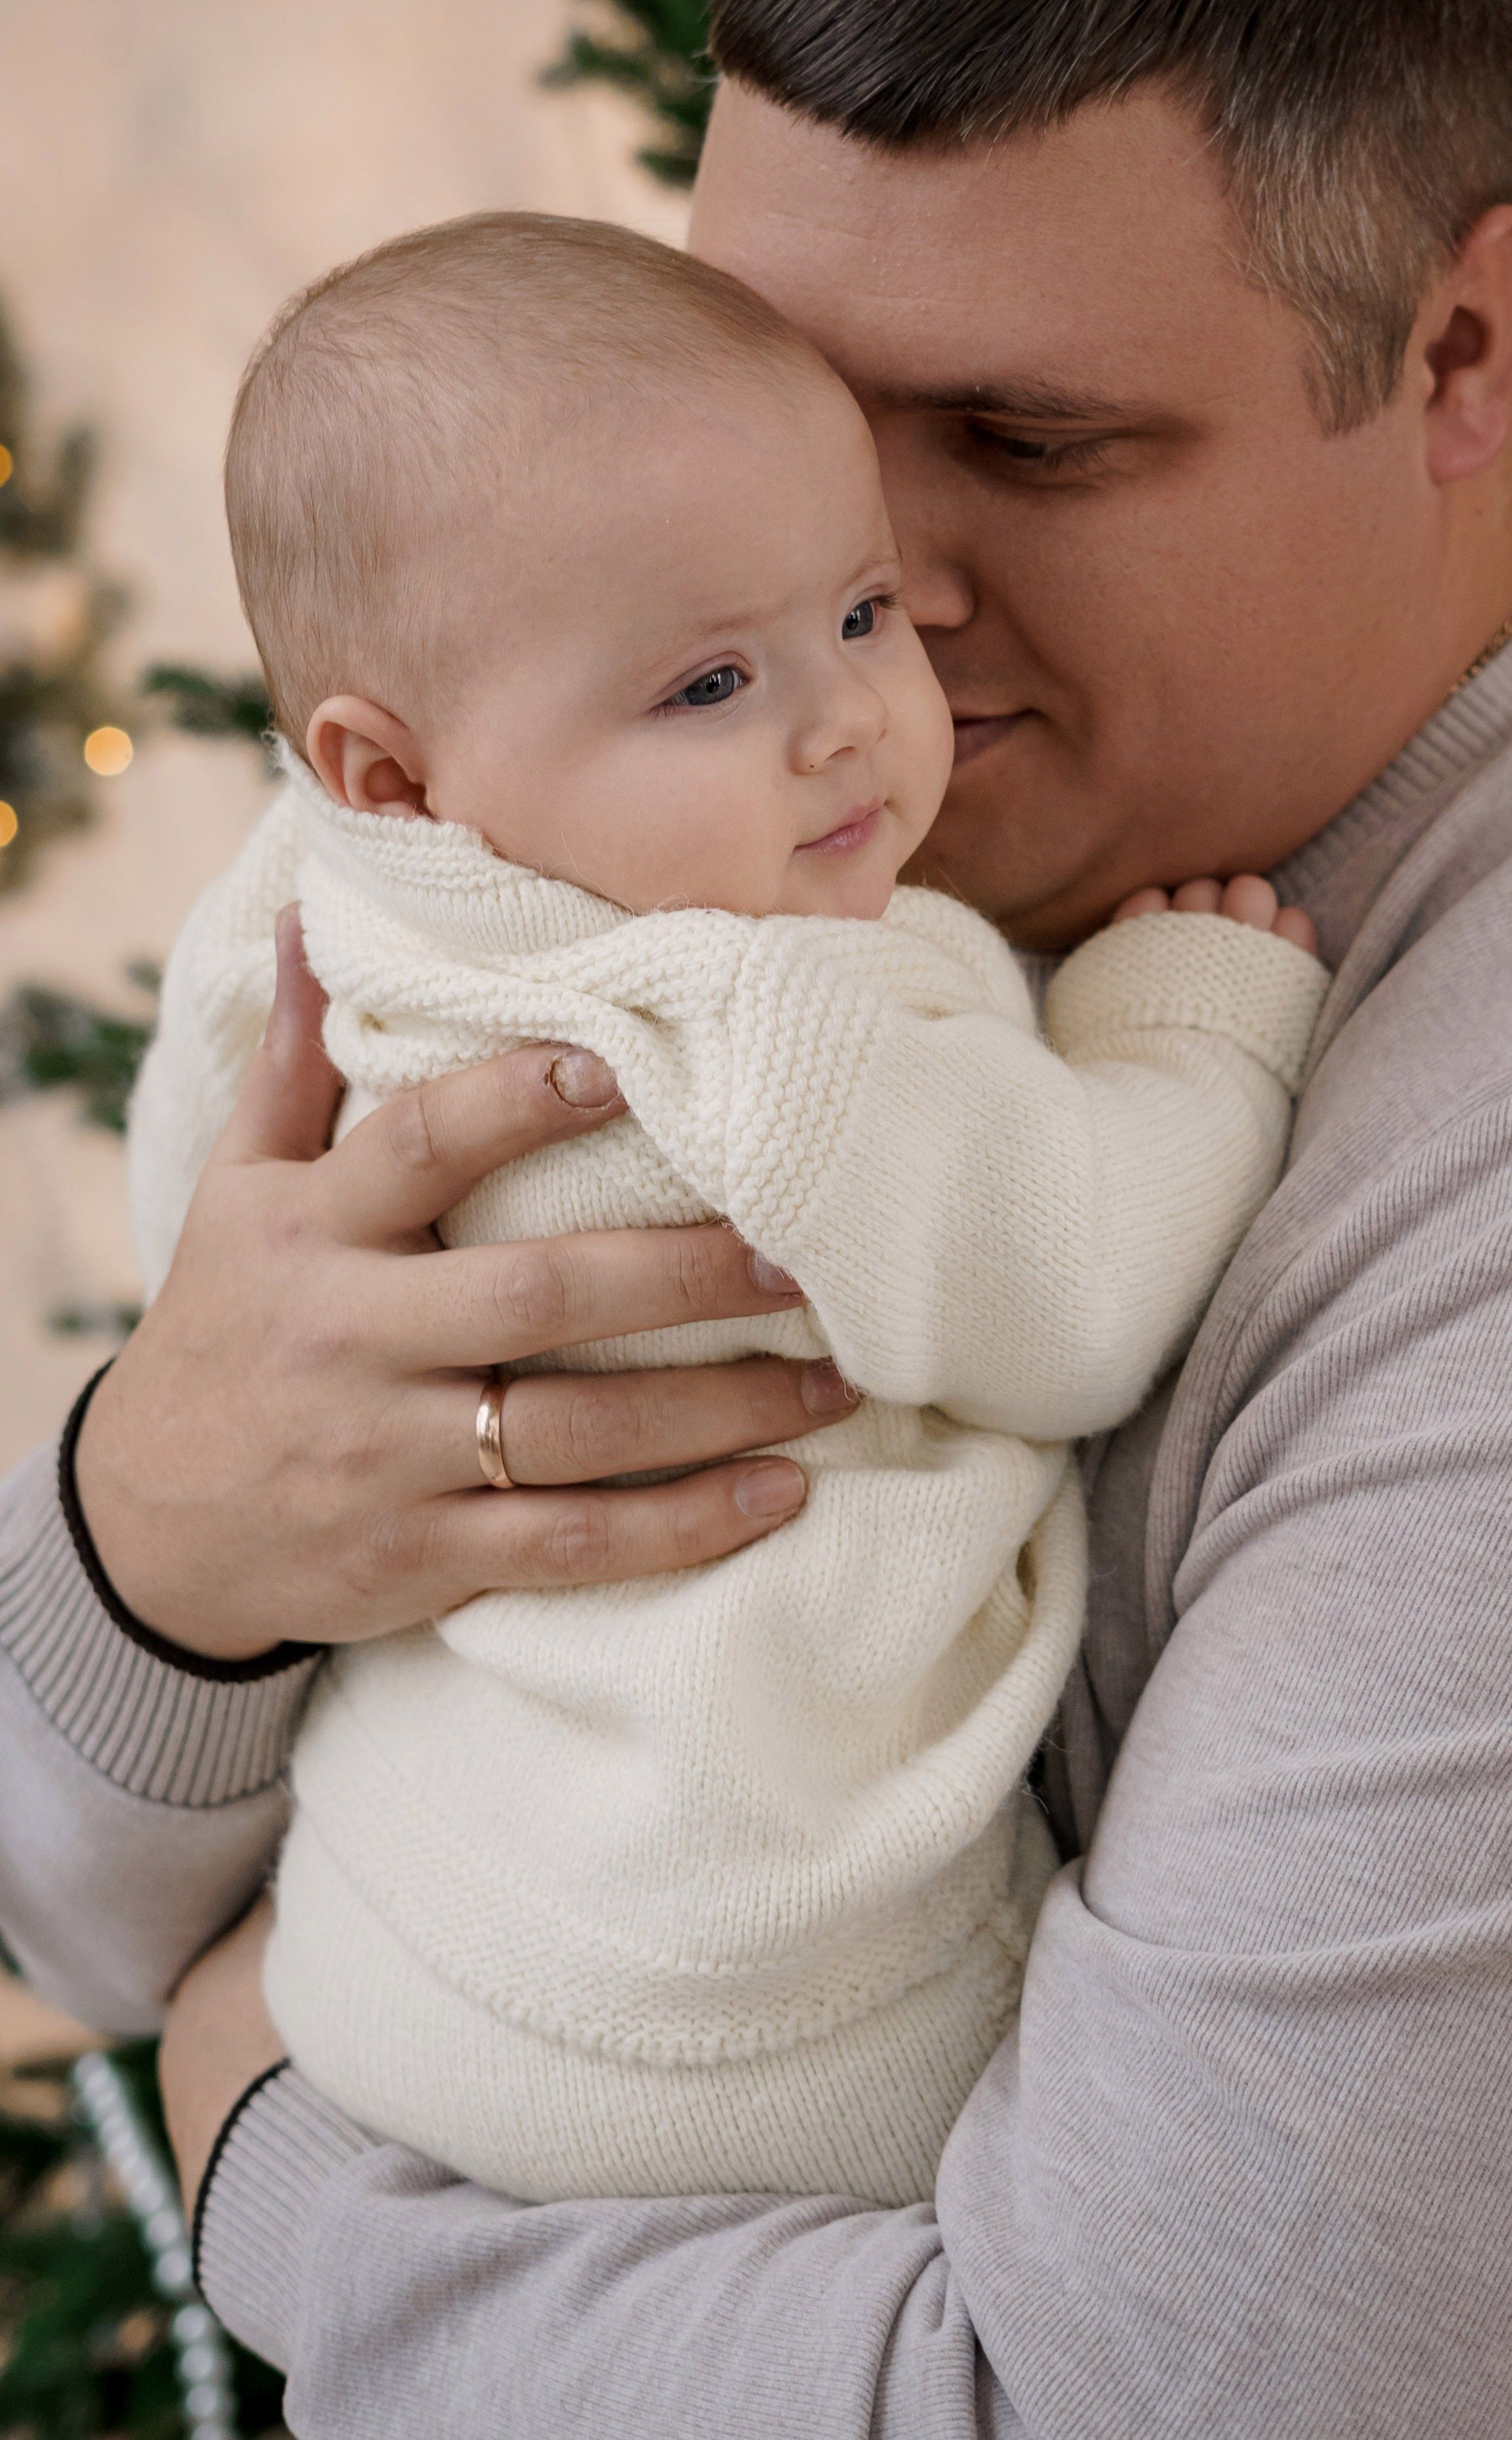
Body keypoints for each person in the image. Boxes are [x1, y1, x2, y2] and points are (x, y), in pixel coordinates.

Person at [3, 0, 1512, 2431]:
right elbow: (56, 1898)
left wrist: (280, 2165)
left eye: (1030, 442)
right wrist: (159, 1542)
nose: (856, 580)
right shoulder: (619, 908)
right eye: (786, 397)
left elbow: (1091, 2407)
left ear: (1464, 350)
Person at [129, 206, 1325, 2210]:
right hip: (766, 2013)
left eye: (857, 614)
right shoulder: (771, 1024)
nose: (846, 717)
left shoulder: (291, 919)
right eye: (707, 683)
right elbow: (1080, 1276)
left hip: (387, 1927)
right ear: (398, 770)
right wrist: (1186, 1021)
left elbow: (206, 1233)